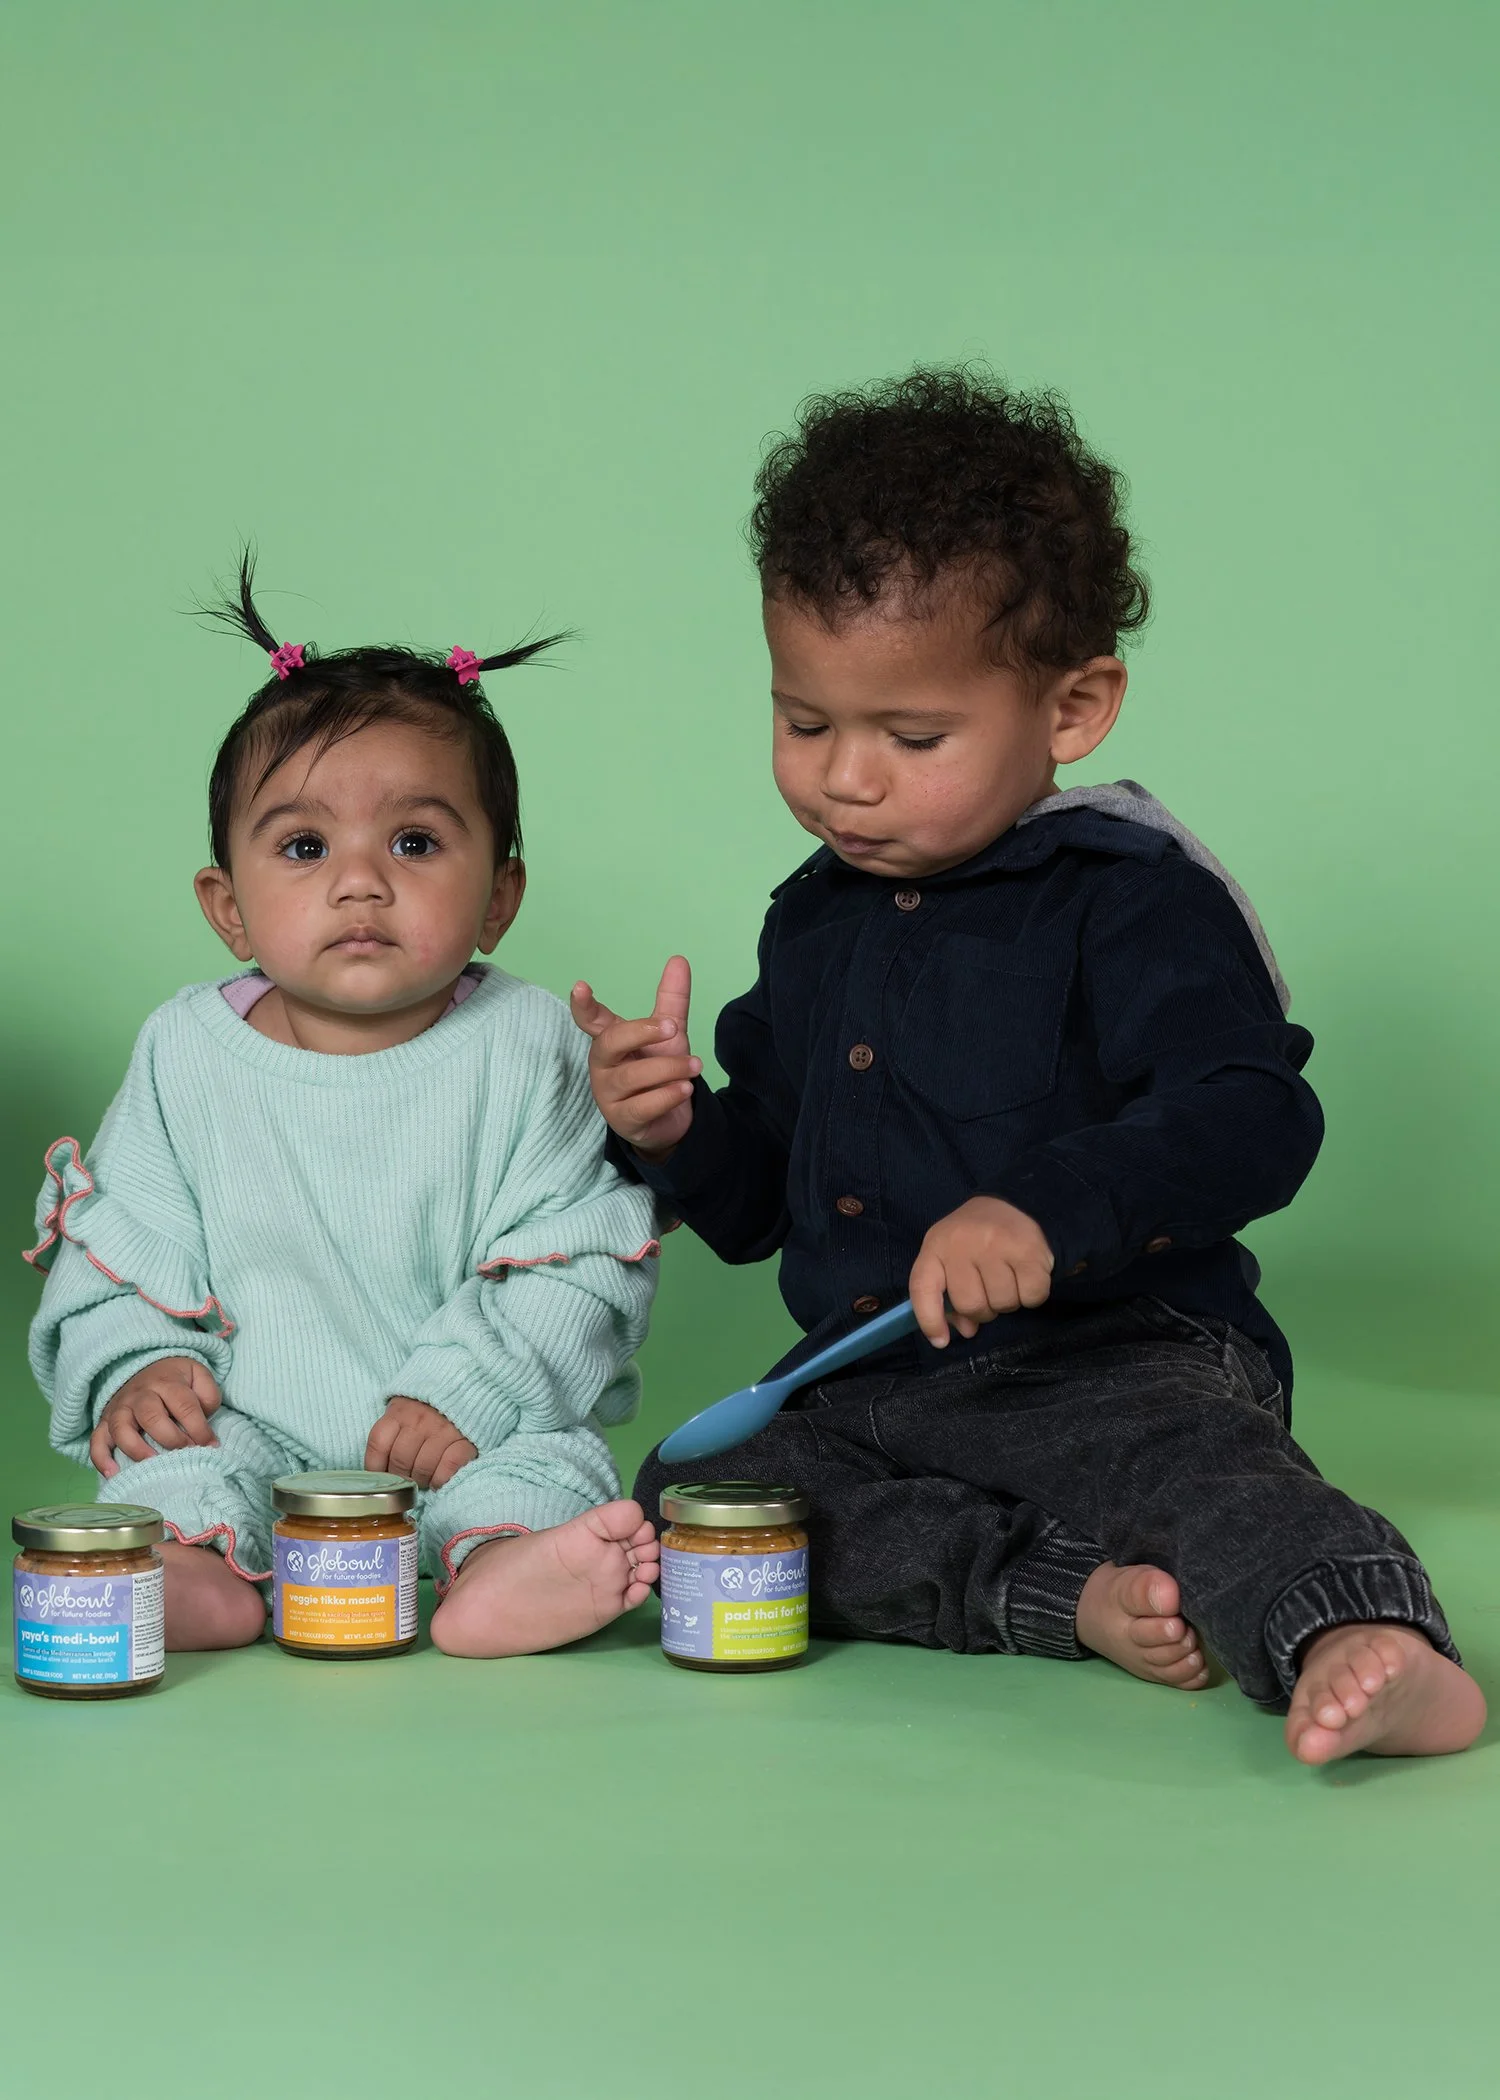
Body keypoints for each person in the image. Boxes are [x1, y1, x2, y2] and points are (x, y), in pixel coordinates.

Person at [573, 369, 1485, 1763]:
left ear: (1074, 708)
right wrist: (674, 1127)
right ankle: (1060, 1597)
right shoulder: (814, 919)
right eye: (805, 722)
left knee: (1196, 1471)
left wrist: (1049, 1213)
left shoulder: (1136, 897)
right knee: (709, 1493)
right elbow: (761, 1209)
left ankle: (1364, 1634)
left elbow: (1252, 1119)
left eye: (911, 737)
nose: (844, 782)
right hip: (872, 1384)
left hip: (1114, 1361)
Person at [27, 555, 660, 1657]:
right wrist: (141, 1367)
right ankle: (195, 1573)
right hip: (256, 1427)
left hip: (472, 1436)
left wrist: (468, 1395)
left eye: (415, 843)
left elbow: (577, 1257)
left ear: (499, 898)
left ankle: (504, 1571)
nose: (359, 881)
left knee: (557, 1468)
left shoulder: (532, 1047)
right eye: (305, 847)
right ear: (229, 906)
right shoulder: (189, 1051)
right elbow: (123, 1242)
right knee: (176, 1463)